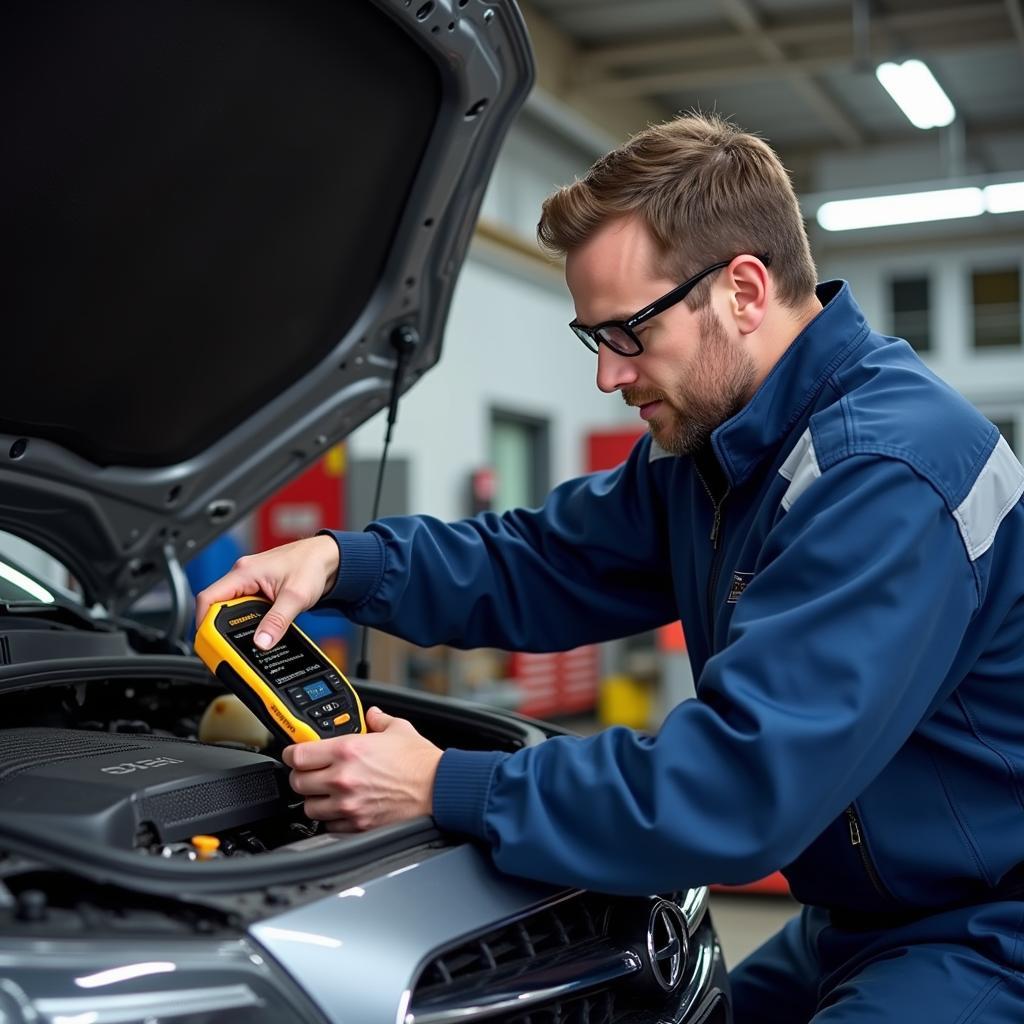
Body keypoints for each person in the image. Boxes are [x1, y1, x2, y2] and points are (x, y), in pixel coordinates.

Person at [196, 113, 1024, 1022]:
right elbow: (541, 562)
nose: (608, 375)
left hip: (986, 925)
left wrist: (441, 784)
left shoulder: (885, 471)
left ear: (744, 289)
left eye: (627, 332)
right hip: (859, 914)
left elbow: (742, 786)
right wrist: (342, 561)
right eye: (595, 339)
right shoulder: (717, 450)